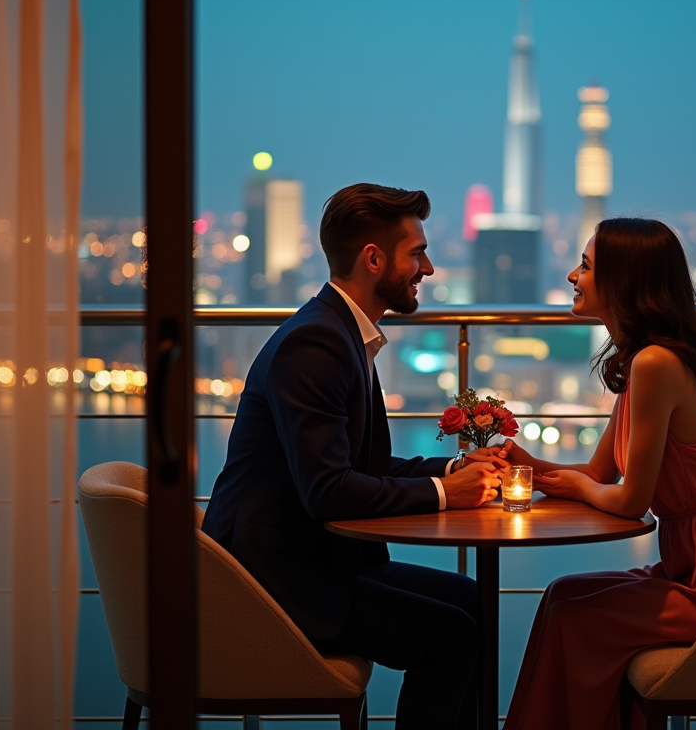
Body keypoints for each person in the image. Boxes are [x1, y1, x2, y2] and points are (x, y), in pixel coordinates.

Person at [201, 183, 504, 730]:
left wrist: (454, 471)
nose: (429, 268)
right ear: (373, 259)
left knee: (469, 599)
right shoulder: (315, 345)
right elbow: (328, 491)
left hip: (307, 560)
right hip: (270, 582)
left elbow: (366, 468)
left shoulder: (341, 334)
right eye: (417, 253)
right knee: (452, 637)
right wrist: (443, 495)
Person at [475, 217, 696, 730]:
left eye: (584, 266)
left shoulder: (655, 365)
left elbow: (628, 500)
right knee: (561, 594)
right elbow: (599, 469)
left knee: (572, 617)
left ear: (624, 281)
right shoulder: (642, 362)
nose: (570, 276)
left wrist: (577, 485)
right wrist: (529, 467)